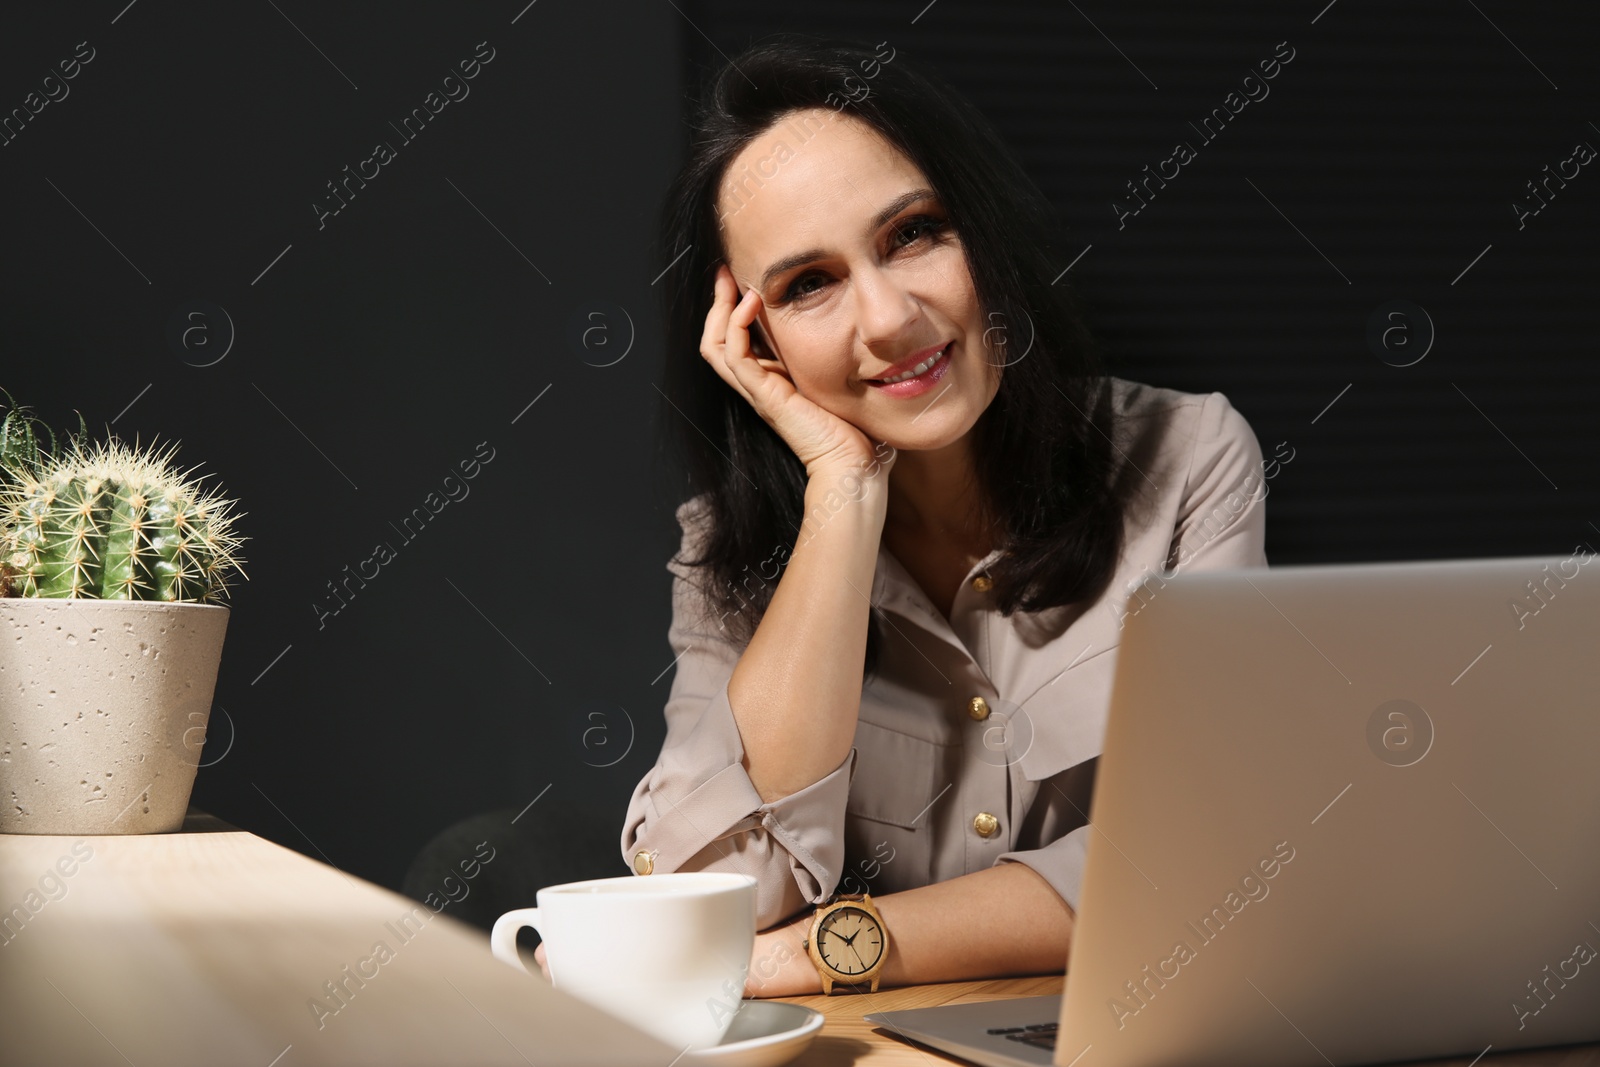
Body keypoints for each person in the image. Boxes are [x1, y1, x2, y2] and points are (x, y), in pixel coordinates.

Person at [618, 34, 1270, 997]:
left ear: (982, 235)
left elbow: (1213, 851)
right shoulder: (726, 549)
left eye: (913, 233)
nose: (887, 318)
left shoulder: (1188, 458)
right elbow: (715, 891)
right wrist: (843, 491)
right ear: (753, 343)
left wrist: (820, 951)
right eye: (809, 285)